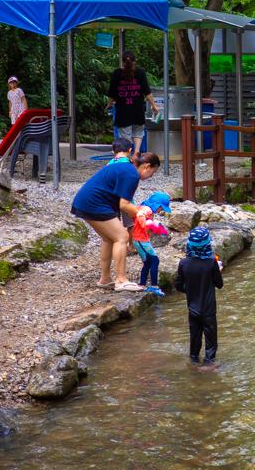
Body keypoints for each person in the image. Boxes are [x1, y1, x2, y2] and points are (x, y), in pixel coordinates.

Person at [70, 151, 161, 291]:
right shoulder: (132, 175)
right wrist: (142, 213)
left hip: (84, 201)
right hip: (94, 204)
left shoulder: (126, 167)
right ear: (147, 166)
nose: (151, 177)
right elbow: (124, 204)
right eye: (153, 173)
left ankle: (105, 279)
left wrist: (136, 213)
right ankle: (121, 280)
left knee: (109, 238)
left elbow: (122, 203)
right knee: (122, 237)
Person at [174, 227, 224, 364]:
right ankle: (209, 363)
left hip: (193, 309)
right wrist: (218, 270)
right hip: (208, 310)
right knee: (211, 339)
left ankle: (194, 362)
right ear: (207, 245)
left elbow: (178, 285)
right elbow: (219, 284)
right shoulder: (211, 262)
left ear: (189, 245)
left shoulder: (183, 263)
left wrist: (189, 290)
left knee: (195, 337)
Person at [106, 50, 159, 152]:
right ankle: (136, 152)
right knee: (138, 133)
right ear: (135, 61)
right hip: (138, 110)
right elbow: (147, 93)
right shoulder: (140, 73)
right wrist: (154, 105)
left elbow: (112, 94)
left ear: (122, 61)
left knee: (125, 137)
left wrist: (109, 104)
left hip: (123, 111)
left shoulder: (116, 74)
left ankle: (127, 156)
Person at [132, 191, 172, 296]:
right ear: (157, 205)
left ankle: (142, 284)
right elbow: (140, 215)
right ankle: (154, 286)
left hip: (140, 240)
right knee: (155, 260)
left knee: (148, 262)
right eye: (161, 208)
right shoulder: (147, 210)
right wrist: (149, 223)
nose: (161, 211)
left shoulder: (145, 207)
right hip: (140, 240)